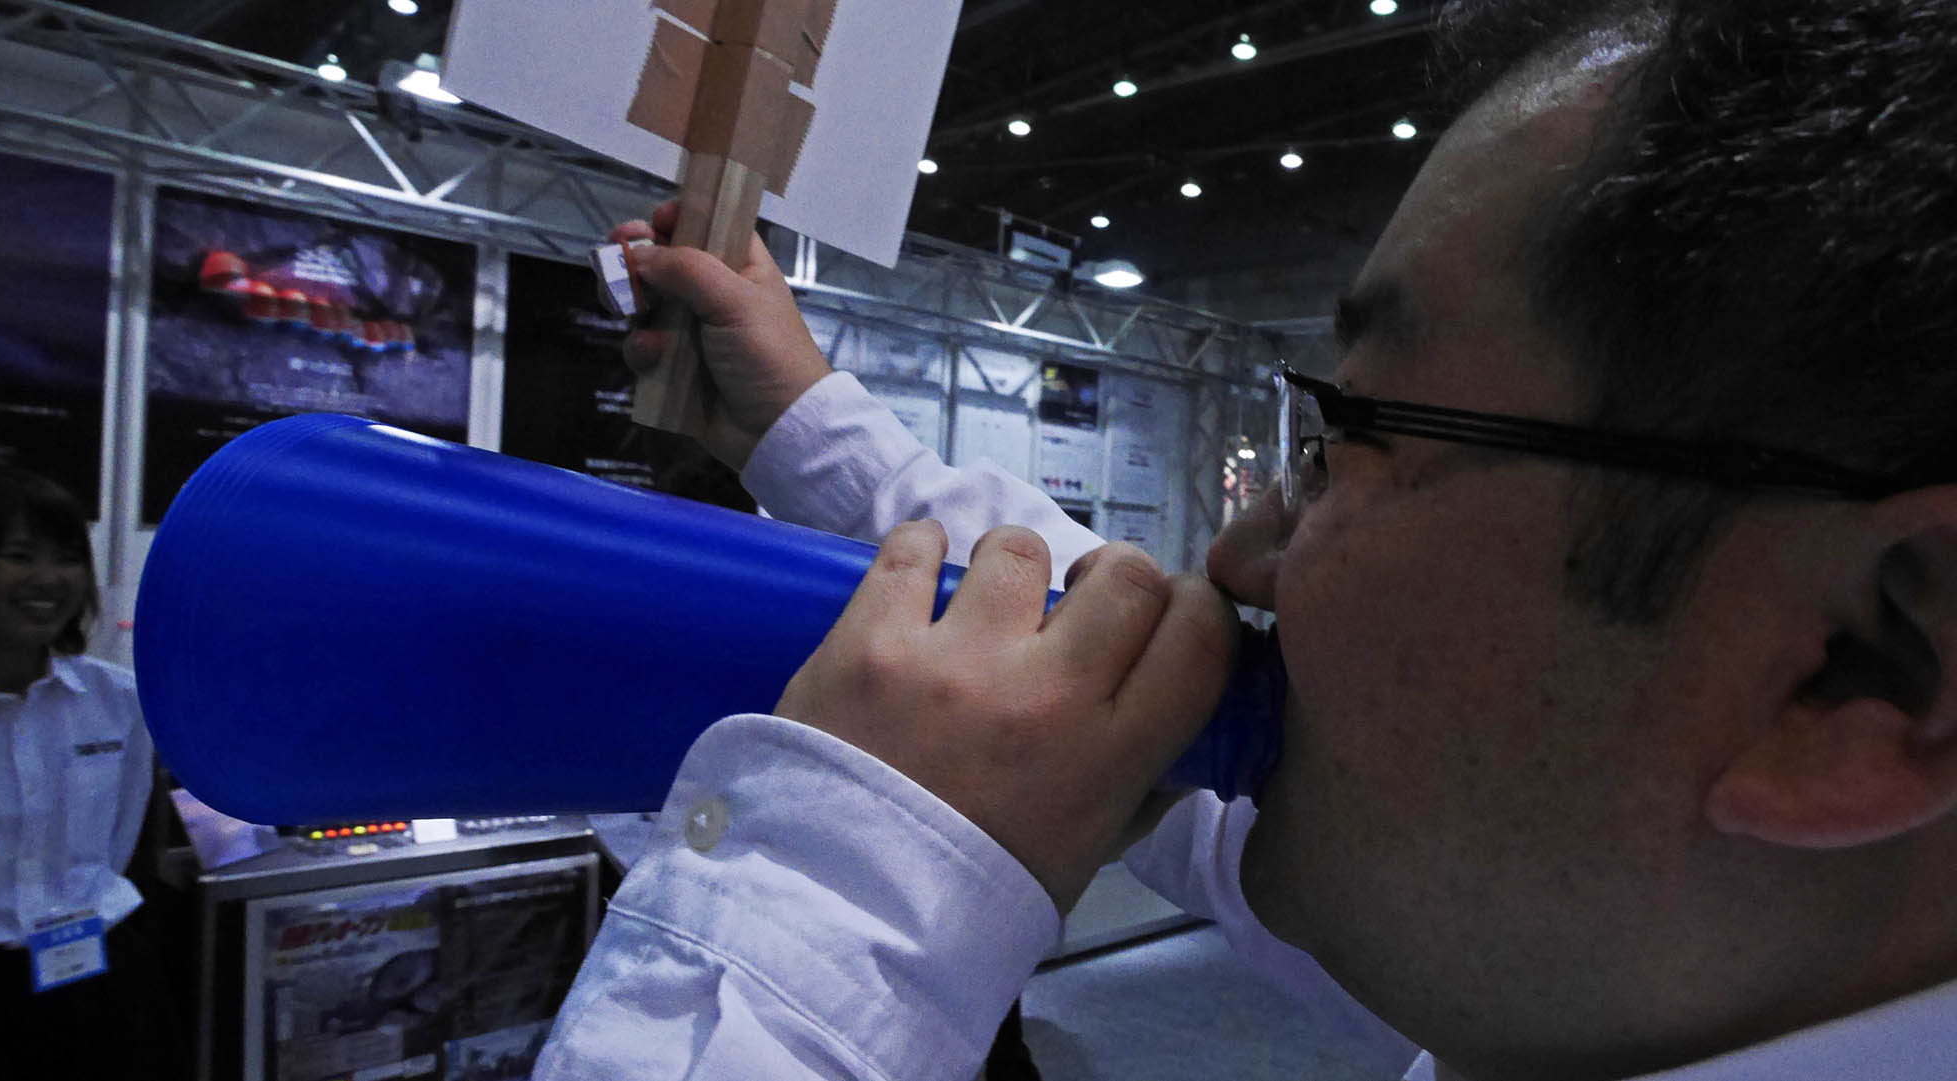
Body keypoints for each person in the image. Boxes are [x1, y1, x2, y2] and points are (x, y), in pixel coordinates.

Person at [539, 0, 1957, 1078]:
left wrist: (835, 887)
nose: (1239, 558)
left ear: (1865, 665)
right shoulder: (1651, 953)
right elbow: (1127, 668)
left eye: (1347, 438)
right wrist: (801, 416)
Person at [0, 468, 177, 1077]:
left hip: (102, 979)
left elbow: (120, 843)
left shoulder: (118, 700)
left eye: (67, 558)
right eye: (18, 556)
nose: (48, 579)